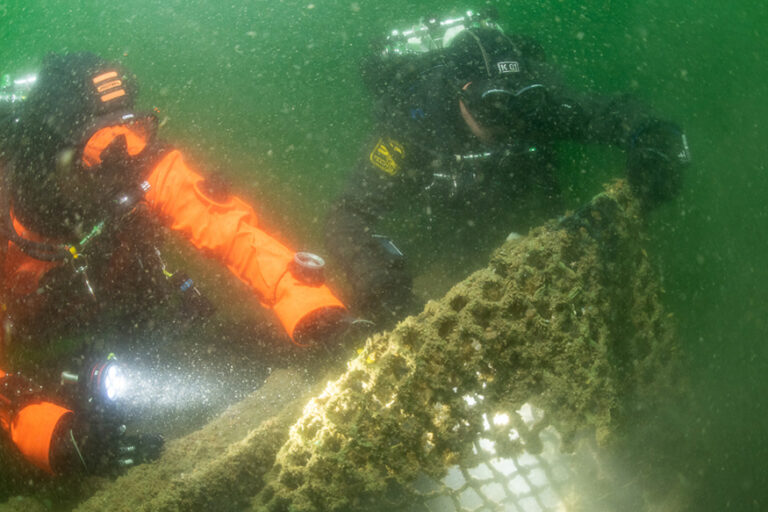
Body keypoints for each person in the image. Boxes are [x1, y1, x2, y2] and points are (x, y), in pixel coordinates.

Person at [0, 52, 347, 477]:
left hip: (139, 326)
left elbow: (227, 228)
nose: (125, 159)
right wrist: (50, 435)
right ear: (46, 156)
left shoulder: (134, 160)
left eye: (133, 130)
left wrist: (314, 310)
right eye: (101, 150)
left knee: (251, 347)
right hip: (37, 368)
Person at [325, 11, 691, 325]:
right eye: (491, 104)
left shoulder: (535, 104)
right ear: (458, 92)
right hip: (446, 227)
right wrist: (380, 286)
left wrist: (655, 142)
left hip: (524, 221)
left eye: (517, 102)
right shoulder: (411, 125)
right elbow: (346, 216)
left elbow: (615, 113)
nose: (507, 118)